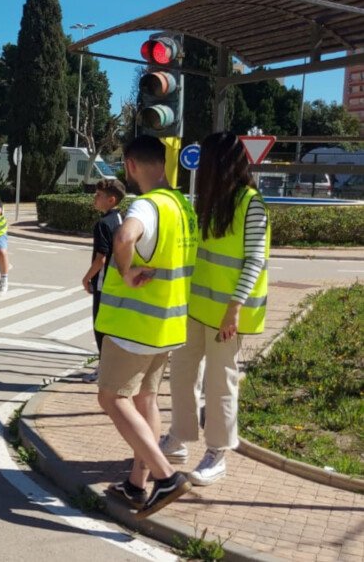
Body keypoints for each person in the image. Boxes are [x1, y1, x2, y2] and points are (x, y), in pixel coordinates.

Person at [94, 135, 198, 519]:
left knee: (111, 398)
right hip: (168, 324)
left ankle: (165, 476)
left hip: (134, 325)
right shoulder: (183, 206)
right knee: (146, 401)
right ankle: (137, 485)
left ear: (131, 164)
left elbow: (124, 236)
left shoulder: (148, 205)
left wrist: (125, 269)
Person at [159, 131, 270, 487]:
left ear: (219, 163)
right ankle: (179, 439)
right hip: (195, 308)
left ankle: (218, 452)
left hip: (227, 314)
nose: (200, 165)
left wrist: (233, 309)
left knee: (220, 382)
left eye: (205, 159)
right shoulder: (207, 200)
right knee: (181, 374)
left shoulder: (251, 203)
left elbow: (255, 260)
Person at [81, 178, 126, 383]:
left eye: (98, 196)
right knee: (114, 328)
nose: (95, 199)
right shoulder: (122, 220)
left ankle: (104, 370)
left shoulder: (102, 224)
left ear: (111, 200)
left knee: (100, 327)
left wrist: (86, 278)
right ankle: (113, 368)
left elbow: (102, 258)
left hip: (103, 282)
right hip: (119, 282)